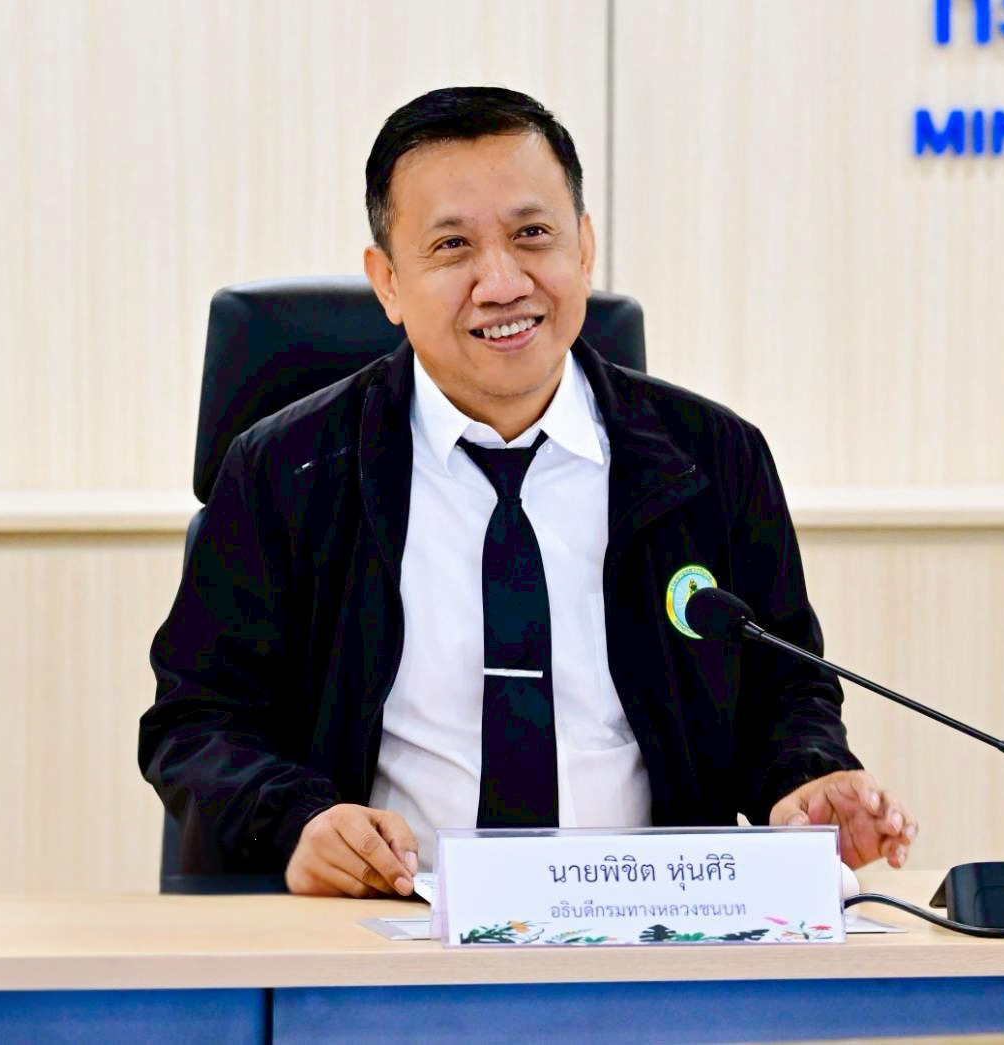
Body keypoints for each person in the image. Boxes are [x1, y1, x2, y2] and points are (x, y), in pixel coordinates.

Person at [140, 86, 916, 898]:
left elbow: (784, 688)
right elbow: (195, 720)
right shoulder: (287, 470)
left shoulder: (713, 460)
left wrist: (805, 779)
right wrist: (299, 820)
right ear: (388, 282)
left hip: (653, 925)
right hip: (387, 926)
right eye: (452, 246)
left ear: (584, 248)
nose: (502, 282)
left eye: (532, 234)